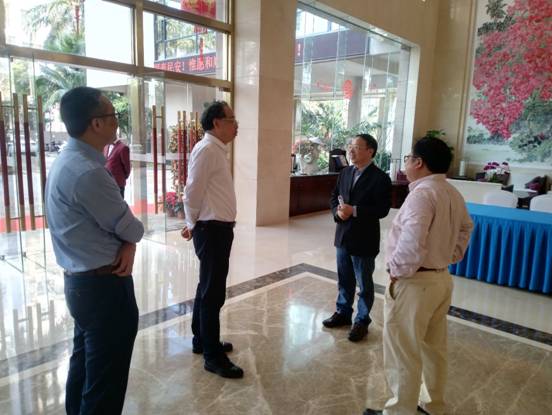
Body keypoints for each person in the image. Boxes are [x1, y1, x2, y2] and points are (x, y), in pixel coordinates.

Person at [45, 86, 144, 415]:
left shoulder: (69, 160)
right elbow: (132, 228)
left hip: (83, 283)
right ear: (96, 124)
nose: (117, 121)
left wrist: (127, 240)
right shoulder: (88, 172)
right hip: (104, 288)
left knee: (86, 369)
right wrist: (130, 239)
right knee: (104, 385)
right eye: (113, 115)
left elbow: (121, 229)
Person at [363, 138, 473, 415]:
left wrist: (396, 273)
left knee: (403, 352)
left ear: (419, 162)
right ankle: (432, 405)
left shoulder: (422, 195)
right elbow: (466, 227)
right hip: (440, 279)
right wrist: (450, 255)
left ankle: (400, 411)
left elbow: (412, 241)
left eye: (409, 158)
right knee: (434, 349)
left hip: (415, 284)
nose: (406, 163)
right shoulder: (451, 192)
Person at [180, 100, 243, 379]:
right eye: (231, 119)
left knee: (207, 286)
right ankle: (212, 356)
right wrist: (191, 223)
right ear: (217, 123)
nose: (236, 124)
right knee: (212, 292)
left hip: (217, 229)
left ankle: (201, 339)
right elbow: (192, 191)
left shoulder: (216, 150)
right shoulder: (206, 150)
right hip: (212, 230)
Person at [323, 134, 392, 342]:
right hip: (343, 235)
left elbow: (382, 209)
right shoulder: (345, 172)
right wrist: (337, 213)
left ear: (370, 151)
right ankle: (343, 313)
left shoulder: (380, 178)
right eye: (350, 146)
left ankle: (362, 320)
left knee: (364, 283)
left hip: (364, 238)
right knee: (344, 279)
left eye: (356, 147)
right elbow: (334, 197)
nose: (351, 151)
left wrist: (354, 211)